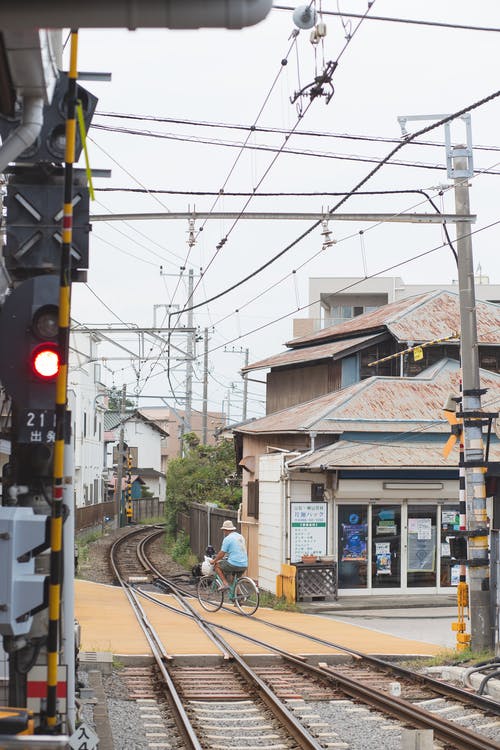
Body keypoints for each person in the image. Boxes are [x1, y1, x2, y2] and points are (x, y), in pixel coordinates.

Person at [210, 520, 248, 591]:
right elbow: (236, 550)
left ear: (226, 530)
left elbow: (221, 554)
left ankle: (225, 583)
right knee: (235, 579)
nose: (224, 532)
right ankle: (238, 597)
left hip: (234, 564)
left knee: (217, 566)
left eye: (224, 530)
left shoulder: (227, 539)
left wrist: (214, 560)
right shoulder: (240, 536)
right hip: (244, 564)